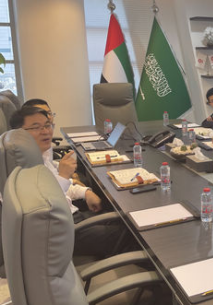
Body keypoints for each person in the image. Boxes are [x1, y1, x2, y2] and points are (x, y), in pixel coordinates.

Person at [10, 106, 127, 257]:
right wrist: (64, 176)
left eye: (47, 125)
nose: (46, 131)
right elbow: (43, 209)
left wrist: (85, 192)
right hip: (62, 232)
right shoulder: (19, 168)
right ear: (19, 134)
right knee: (131, 235)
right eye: (36, 127)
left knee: (123, 219)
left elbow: (58, 188)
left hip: (70, 217)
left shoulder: (39, 156)